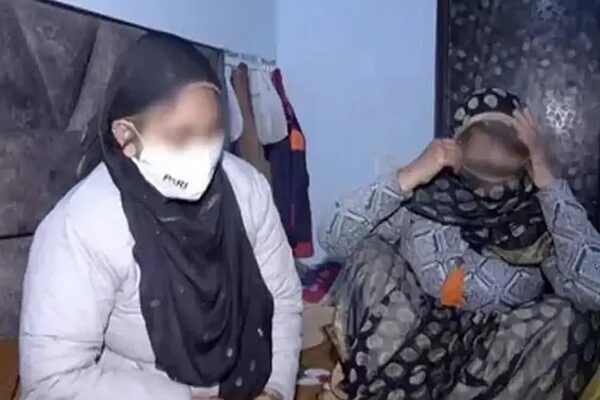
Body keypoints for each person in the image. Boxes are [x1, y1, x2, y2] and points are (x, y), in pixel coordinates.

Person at [19, 32, 302, 400]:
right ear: (126, 135)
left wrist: (275, 390)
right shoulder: (82, 227)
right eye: (182, 137)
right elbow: (51, 380)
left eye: (213, 131)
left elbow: (282, 299)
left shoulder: (248, 191)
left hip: (247, 383)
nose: (203, 151)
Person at [319, 88, 600, 399]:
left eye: (508, 133)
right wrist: (409, 175)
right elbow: (334, 238)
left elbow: (594, 289)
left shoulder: (537, 218)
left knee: (571, 319)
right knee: (372, 253)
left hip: (490, 366)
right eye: (484, 132)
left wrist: (547, 181)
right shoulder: (428, 199)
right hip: (406, 354)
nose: (494, 143)